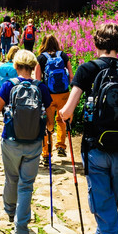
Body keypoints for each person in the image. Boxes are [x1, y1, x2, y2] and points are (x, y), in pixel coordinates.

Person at [59, 23, 118, 234]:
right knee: (111, 201)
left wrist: (63, 114)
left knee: (102, 203)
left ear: (96, 43)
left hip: (95, 147)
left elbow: (67, 111)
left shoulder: (87, 69)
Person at [0, 50, 52, 234]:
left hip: (11, 141)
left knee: (11, 178)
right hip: (35, 142)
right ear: (33, 66)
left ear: (16, 66)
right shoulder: (42, 88)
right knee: (26, 185)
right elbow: (50, 117)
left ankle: (10, 211)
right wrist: (50, 128)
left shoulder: (7, 86)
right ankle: (21, 229)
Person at [35, 35, 73, 164]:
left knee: (47, 124)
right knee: (62, 120)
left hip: (48, 95)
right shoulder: (63, 56)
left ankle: (46, 154)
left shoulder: (41, 58)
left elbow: (37, 80)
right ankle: (61, 146)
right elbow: (71, 76)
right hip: (64, 93)